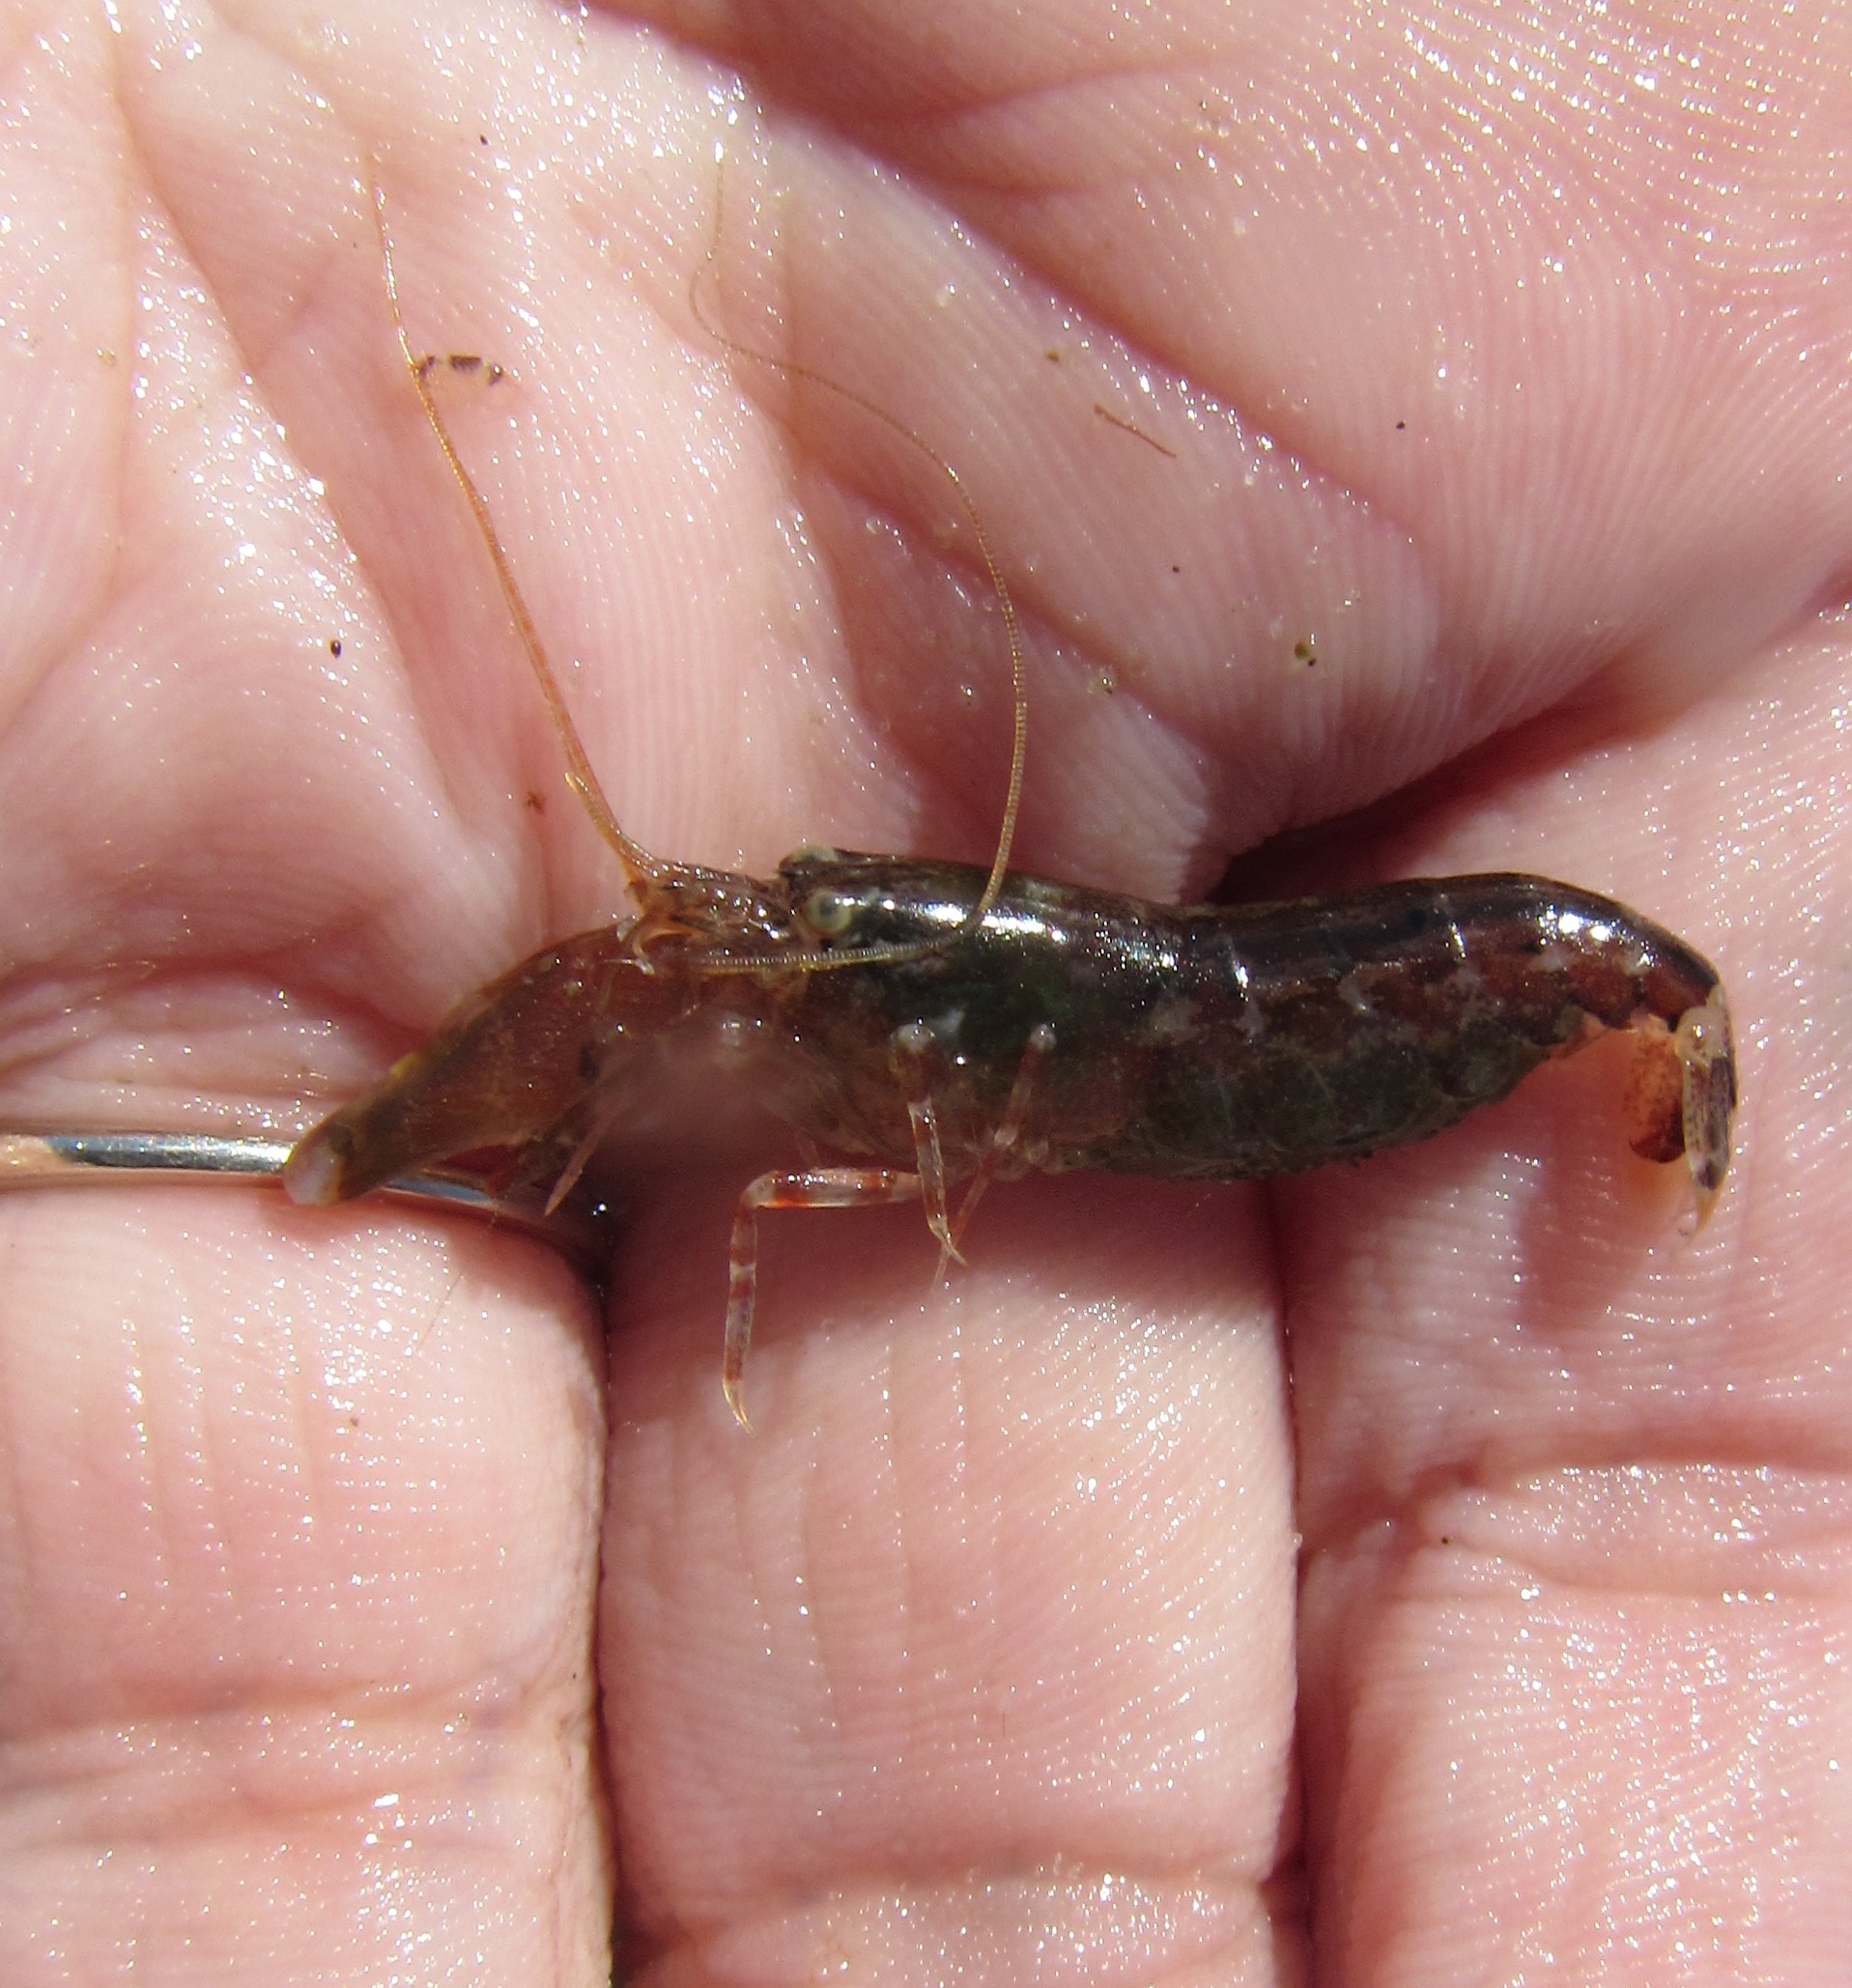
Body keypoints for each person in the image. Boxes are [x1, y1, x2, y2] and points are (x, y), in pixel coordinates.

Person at [1, 1, 1840, 1976]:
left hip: (1310, 1027)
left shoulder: (1111, 1044)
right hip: (1199, 1027)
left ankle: (1646, 1032)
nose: (751, 951)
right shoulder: (852, 981)